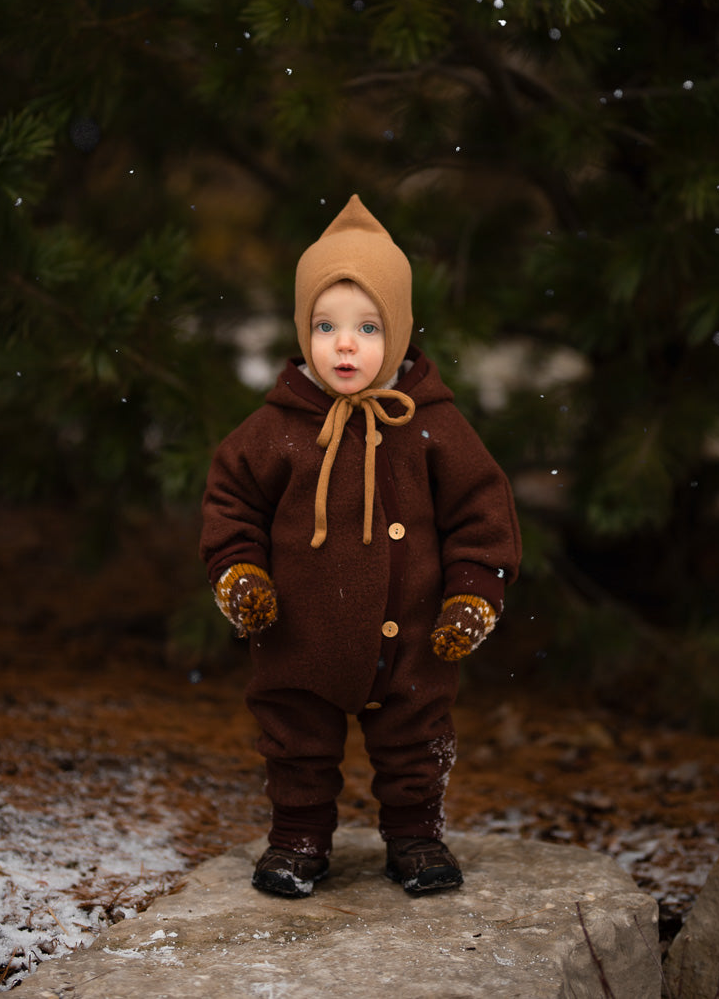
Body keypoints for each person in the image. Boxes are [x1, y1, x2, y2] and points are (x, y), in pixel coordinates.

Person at [200, 194, 521, 899]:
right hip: (298, 633)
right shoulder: (275, 429)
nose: (345, 345)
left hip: (409, 631)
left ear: (401, 332)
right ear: (301, 330)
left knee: (414, 736)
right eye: (325, 325)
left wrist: (473, 591)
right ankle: (297, 838)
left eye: (368, 327)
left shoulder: (430, 422)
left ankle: (414, 834)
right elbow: (230, 505)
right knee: (295, 740)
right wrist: (241, 575)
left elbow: (481, 512)